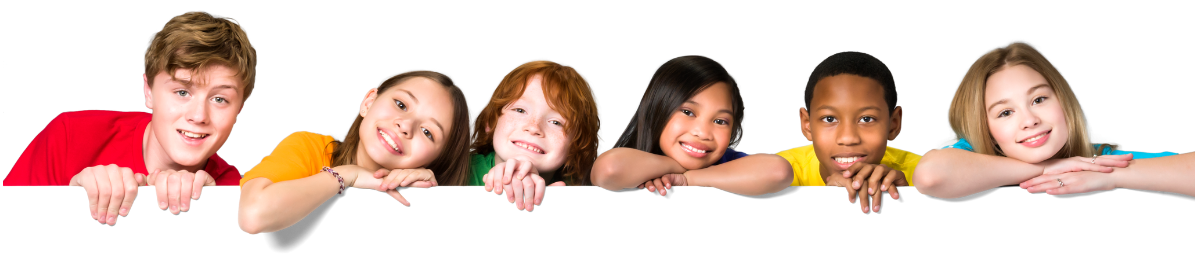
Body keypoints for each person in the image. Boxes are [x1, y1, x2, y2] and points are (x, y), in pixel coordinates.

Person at [912, 39, 1195, 201]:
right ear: (986, 128)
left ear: (1062, 102)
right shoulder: (969, 155)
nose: (1029, 119)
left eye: (1038, 99)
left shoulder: (1102, 157)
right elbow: (931, 176)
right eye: (1005, 112)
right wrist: (1046, 169)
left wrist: (1104, 175)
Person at [4, 10, 257, 226]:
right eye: (182, 92)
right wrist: (68, 196)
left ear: (240, 108)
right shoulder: (70, 135)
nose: (199, 116)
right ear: (148, 90)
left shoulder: (238, 195)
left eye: (219, 99)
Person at [235, 69, 472, 235]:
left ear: (439, 160)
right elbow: (252, 216)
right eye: (401, 104)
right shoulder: (309, 147)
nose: (405, 126)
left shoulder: (423, 189)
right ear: (368, 102)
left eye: (428, 132)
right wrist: (348, 175)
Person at [592, 55, 792, 196]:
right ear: (657, 110)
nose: (703, 133)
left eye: (720, 121)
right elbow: (608, 170)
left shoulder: (730, 165)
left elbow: (779, 171)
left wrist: (689, 179)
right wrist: (673, 167)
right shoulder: (631, 162)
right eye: (688, 112)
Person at [776, 50, 921, 214]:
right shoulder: (777, 174)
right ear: (807, 124)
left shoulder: (925, 175)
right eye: (829, 119)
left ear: (893, 124)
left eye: (867, 119)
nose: (848, 138)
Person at [471, 58, 602, 212]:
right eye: (520, 110)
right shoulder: (456, 169)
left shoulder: (582, 185)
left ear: (576, 144)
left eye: (556, 122)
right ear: (490, 121)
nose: (534, 128)